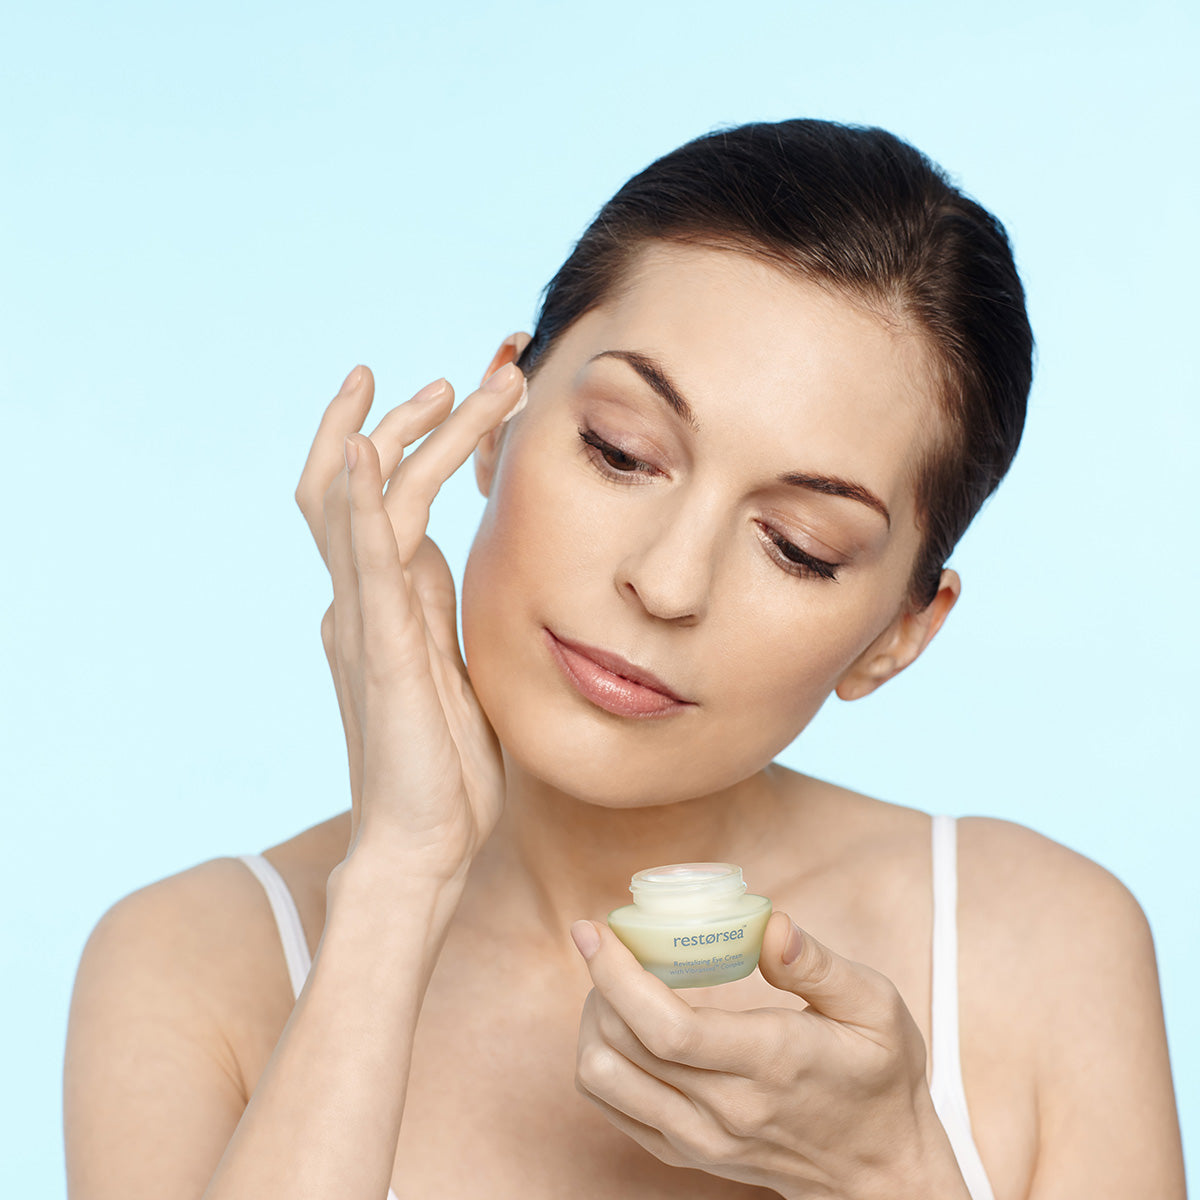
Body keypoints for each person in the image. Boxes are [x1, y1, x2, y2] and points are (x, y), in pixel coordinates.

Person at [63, 119, 1185, 1199]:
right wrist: (401, 874)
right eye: (621, 450)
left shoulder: (1045, 945)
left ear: (899, 631)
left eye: (798, 547)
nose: (667, 582)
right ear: (500, 420)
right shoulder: (188, 967)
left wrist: (887, 1176)